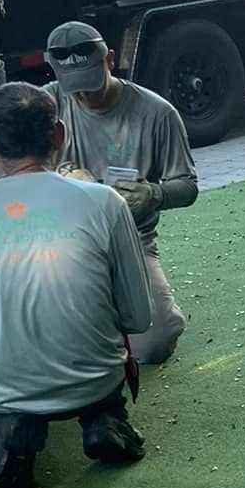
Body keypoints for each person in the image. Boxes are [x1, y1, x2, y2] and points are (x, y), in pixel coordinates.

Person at [0, 82, 152, 488]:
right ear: (59, 136)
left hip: (1, 388)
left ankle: (6, 432)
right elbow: (138, 316)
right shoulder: (105, 202)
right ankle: (104, 418)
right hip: (95, 378)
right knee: (103, 375)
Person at [45, 20, 197, 365]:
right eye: (75, 88)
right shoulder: (47, 103)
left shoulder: (157, 113)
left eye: (90, 84)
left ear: (110, 60)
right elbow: (20, 173)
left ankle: (145, 314)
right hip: (63, 240)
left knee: (154, 345)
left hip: (130, 240)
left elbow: (187, 186)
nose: (84, 95)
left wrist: (154, 194)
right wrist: (66, 178)